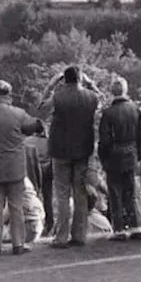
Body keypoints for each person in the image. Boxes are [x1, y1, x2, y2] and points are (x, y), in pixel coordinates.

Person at [0, 79, 42, 256]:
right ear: (9, 96)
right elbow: (33, 127)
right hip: (15, 168)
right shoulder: (19, 114)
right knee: (16, 206)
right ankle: (18, 244)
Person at [48, 66, 99, 248]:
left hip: (60, 150)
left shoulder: (58, 96)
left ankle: (61, 236)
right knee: (80, 193)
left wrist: (51, 85)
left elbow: (40, 108)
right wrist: (91, 84)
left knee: (62, 194)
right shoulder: (91, 97)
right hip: (83, 150)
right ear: (80, 79)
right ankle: (79, 235)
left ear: (64, 80)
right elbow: (102, 98)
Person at [98, 77, 141, 241]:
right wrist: (139, 155)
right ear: (126, 90)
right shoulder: (135, 110)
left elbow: (104, 139)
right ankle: (135, 226)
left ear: (112, 91)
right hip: (131, 152)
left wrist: (102, 157)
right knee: (130, 191)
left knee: (115, 192)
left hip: (113, 154)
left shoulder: (108, 113)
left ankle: (119, 228)